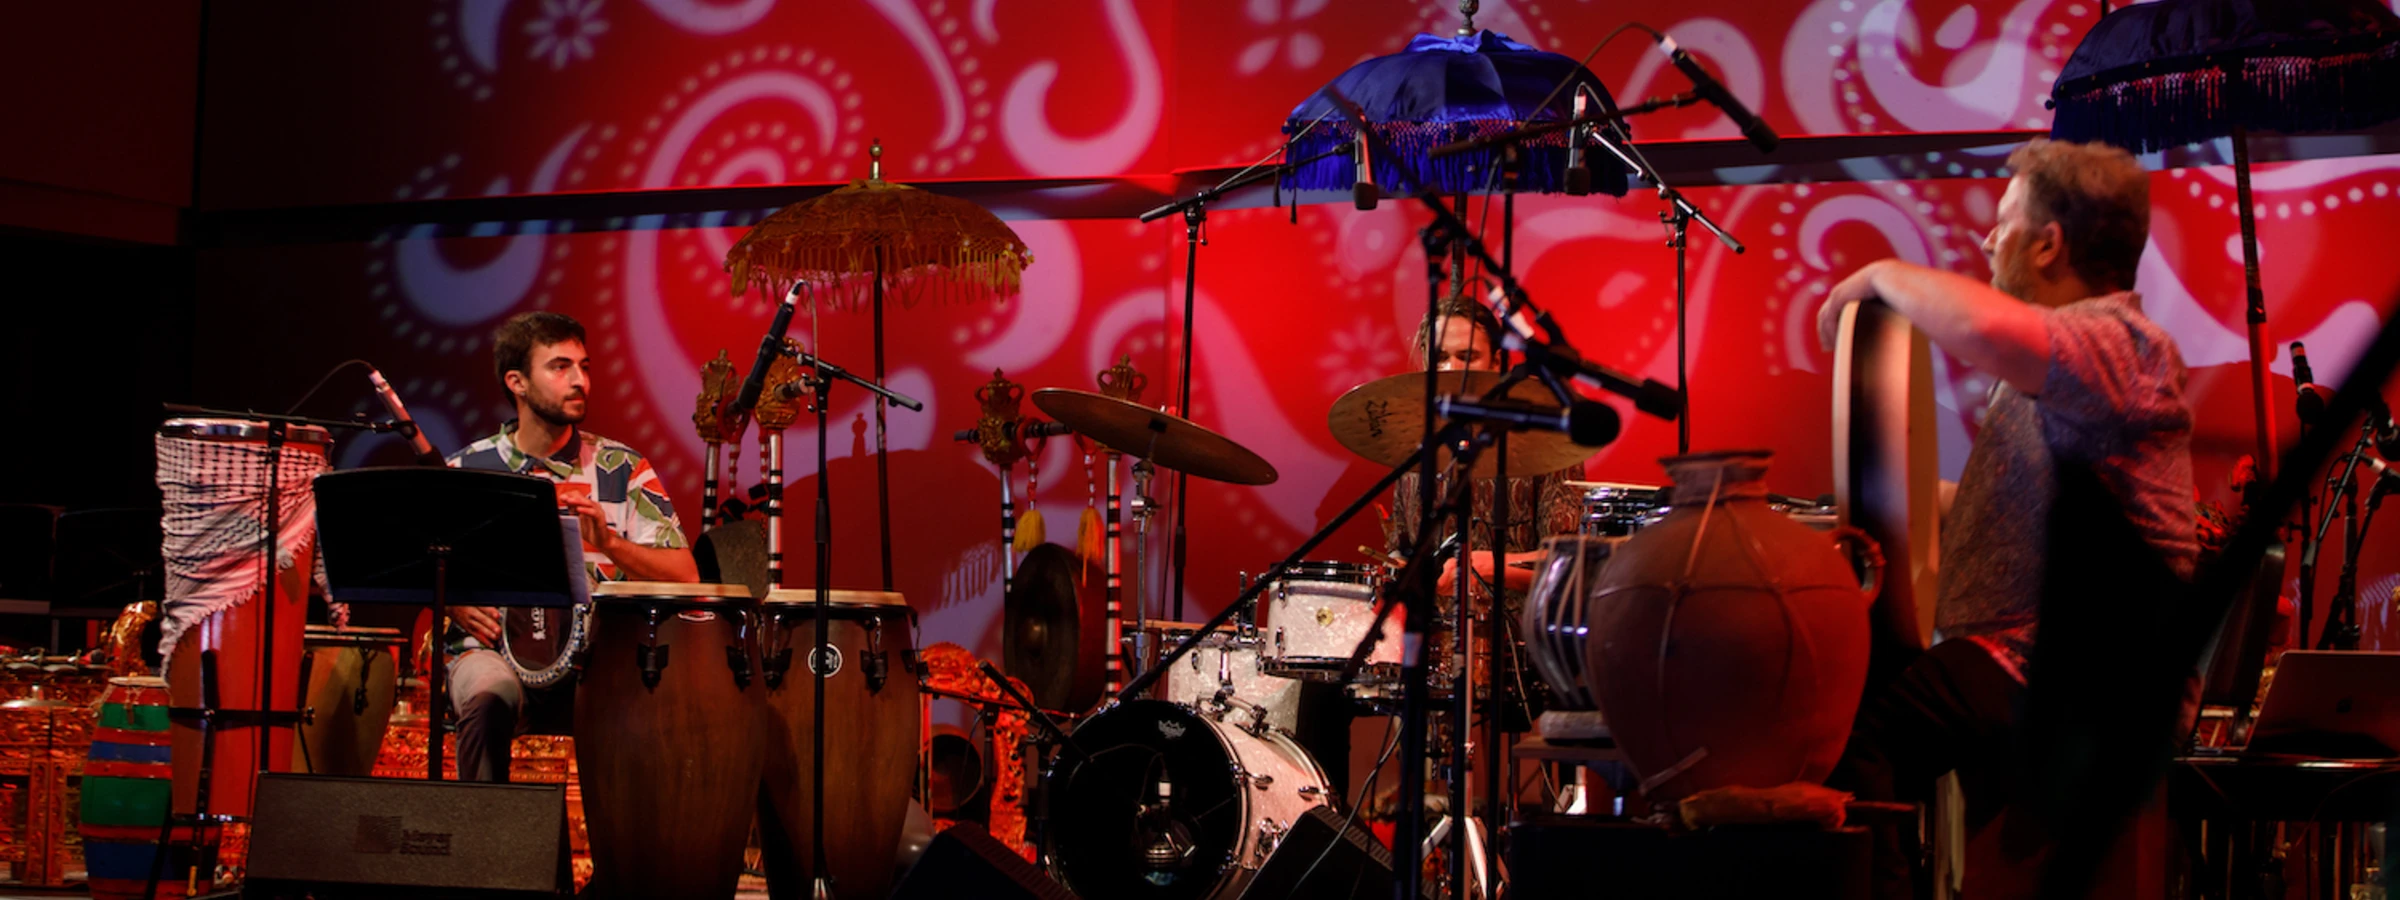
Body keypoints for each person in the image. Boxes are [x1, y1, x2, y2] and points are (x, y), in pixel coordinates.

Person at [1814, 139, 2196, 897]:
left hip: (2081, 664)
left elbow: (1985, 330)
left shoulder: (2120, 342)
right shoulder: (2071, 367)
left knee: (1855, 737)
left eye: (2004, 223)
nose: (1989, 241)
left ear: (2050, 242)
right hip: (2031, 656)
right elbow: (2010, 501)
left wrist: (1880, 276)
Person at [445, 311, 698, 781]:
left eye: (584, 366)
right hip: (494, 652)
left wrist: (612, 544)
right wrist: (455, 601)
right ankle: (487, 848)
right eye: (560, 367)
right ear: (517, 382)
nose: (580, 380)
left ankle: (625, 852)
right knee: (487, 696)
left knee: (656, 707)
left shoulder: (621, 467)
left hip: (599, 659)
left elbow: (686, 576)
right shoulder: (464, 472)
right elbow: (419, 564)